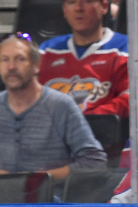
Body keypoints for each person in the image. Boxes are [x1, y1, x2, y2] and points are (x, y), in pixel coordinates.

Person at [0, 32, 106, 181]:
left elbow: (94, 162)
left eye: (20, 59)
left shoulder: (61, 106)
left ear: (36, 65)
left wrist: (37, 180)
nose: (11, 67)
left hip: (49, 200)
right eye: (4, 60)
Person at [39, 0, 138, 118]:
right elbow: (24, 96)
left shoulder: (126, 48)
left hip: (103, 137)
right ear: (65, 10)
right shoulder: (46, 50)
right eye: (71, 2)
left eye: (88, 1)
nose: (79, 8)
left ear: (104, 7)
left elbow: (135, 99)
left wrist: (85, 121)